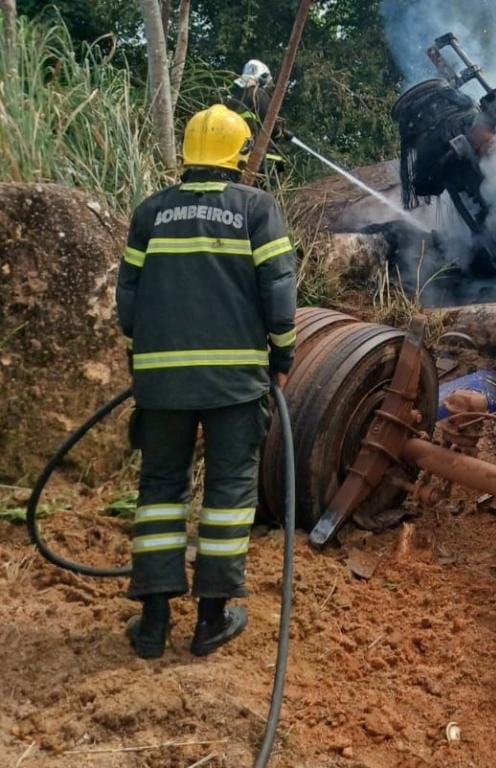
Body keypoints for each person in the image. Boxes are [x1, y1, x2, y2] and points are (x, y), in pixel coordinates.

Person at [115, 104, 297, 659]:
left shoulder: (150, 212)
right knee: (227, 494)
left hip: (161, 385)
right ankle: (211, 621)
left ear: (191, 157)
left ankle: (151, 626)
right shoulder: (255, 210)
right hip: (234, 383)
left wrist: (142, 363)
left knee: (160, 490)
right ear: (239, 158)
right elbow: (280, 295)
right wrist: (282, 359)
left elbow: (128, 300)